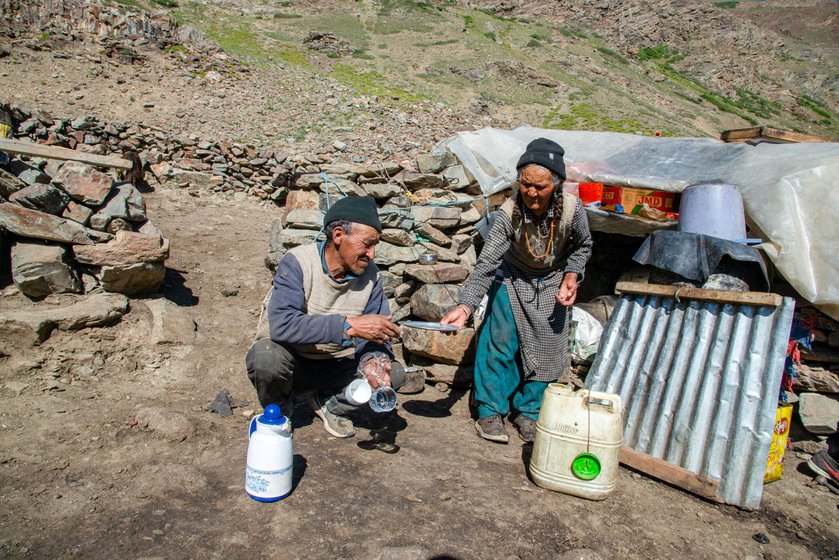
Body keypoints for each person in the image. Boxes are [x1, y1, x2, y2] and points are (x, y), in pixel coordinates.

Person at [440, 138, 593, 444]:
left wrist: (572, 275)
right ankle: (489, 410)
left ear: (557, 184)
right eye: (526, 185)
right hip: (511, 278)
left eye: (540, 187)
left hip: (553, 282)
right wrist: (466, 306)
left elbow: (583, 245)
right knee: (500, 340)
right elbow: (487, 263)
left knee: (549, 348)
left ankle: (529, 412)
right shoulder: (509, 212)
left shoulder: (573, 209)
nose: (532, 193)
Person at [246, 196, 420, 438]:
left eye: (375, 245)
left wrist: (373, 360)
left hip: (337, 365)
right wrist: (349, 326)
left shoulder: (372, 277)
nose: (372, 254)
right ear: (338, 235)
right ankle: (280, 411)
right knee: (266, 357)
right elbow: (283, 325)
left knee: (394, 374)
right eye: (367, 244)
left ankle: (331, 404)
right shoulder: (298, 262)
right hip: (294, 362)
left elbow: (377, 337)